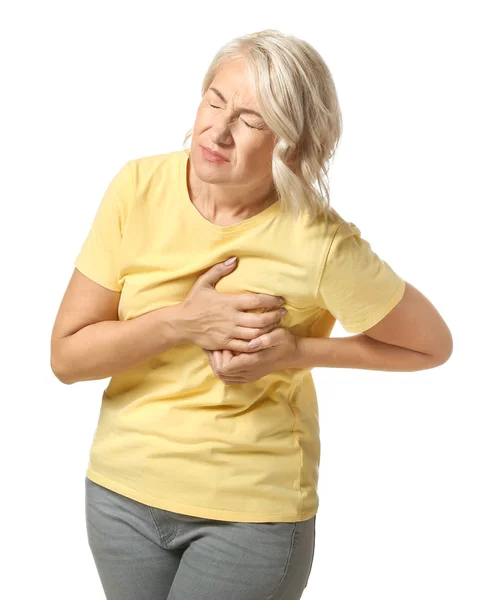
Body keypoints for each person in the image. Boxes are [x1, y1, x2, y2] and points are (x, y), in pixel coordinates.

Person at [50, 29, 453, 600]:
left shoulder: (320, 241)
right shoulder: (136, 188)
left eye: (251, 120)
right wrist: (181, 322)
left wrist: (297, 353)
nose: (217, 131)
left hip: (248, 518)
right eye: (215, 100)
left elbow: (429, 345)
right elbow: (66, 358)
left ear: (292, 142)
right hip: (121, 499)